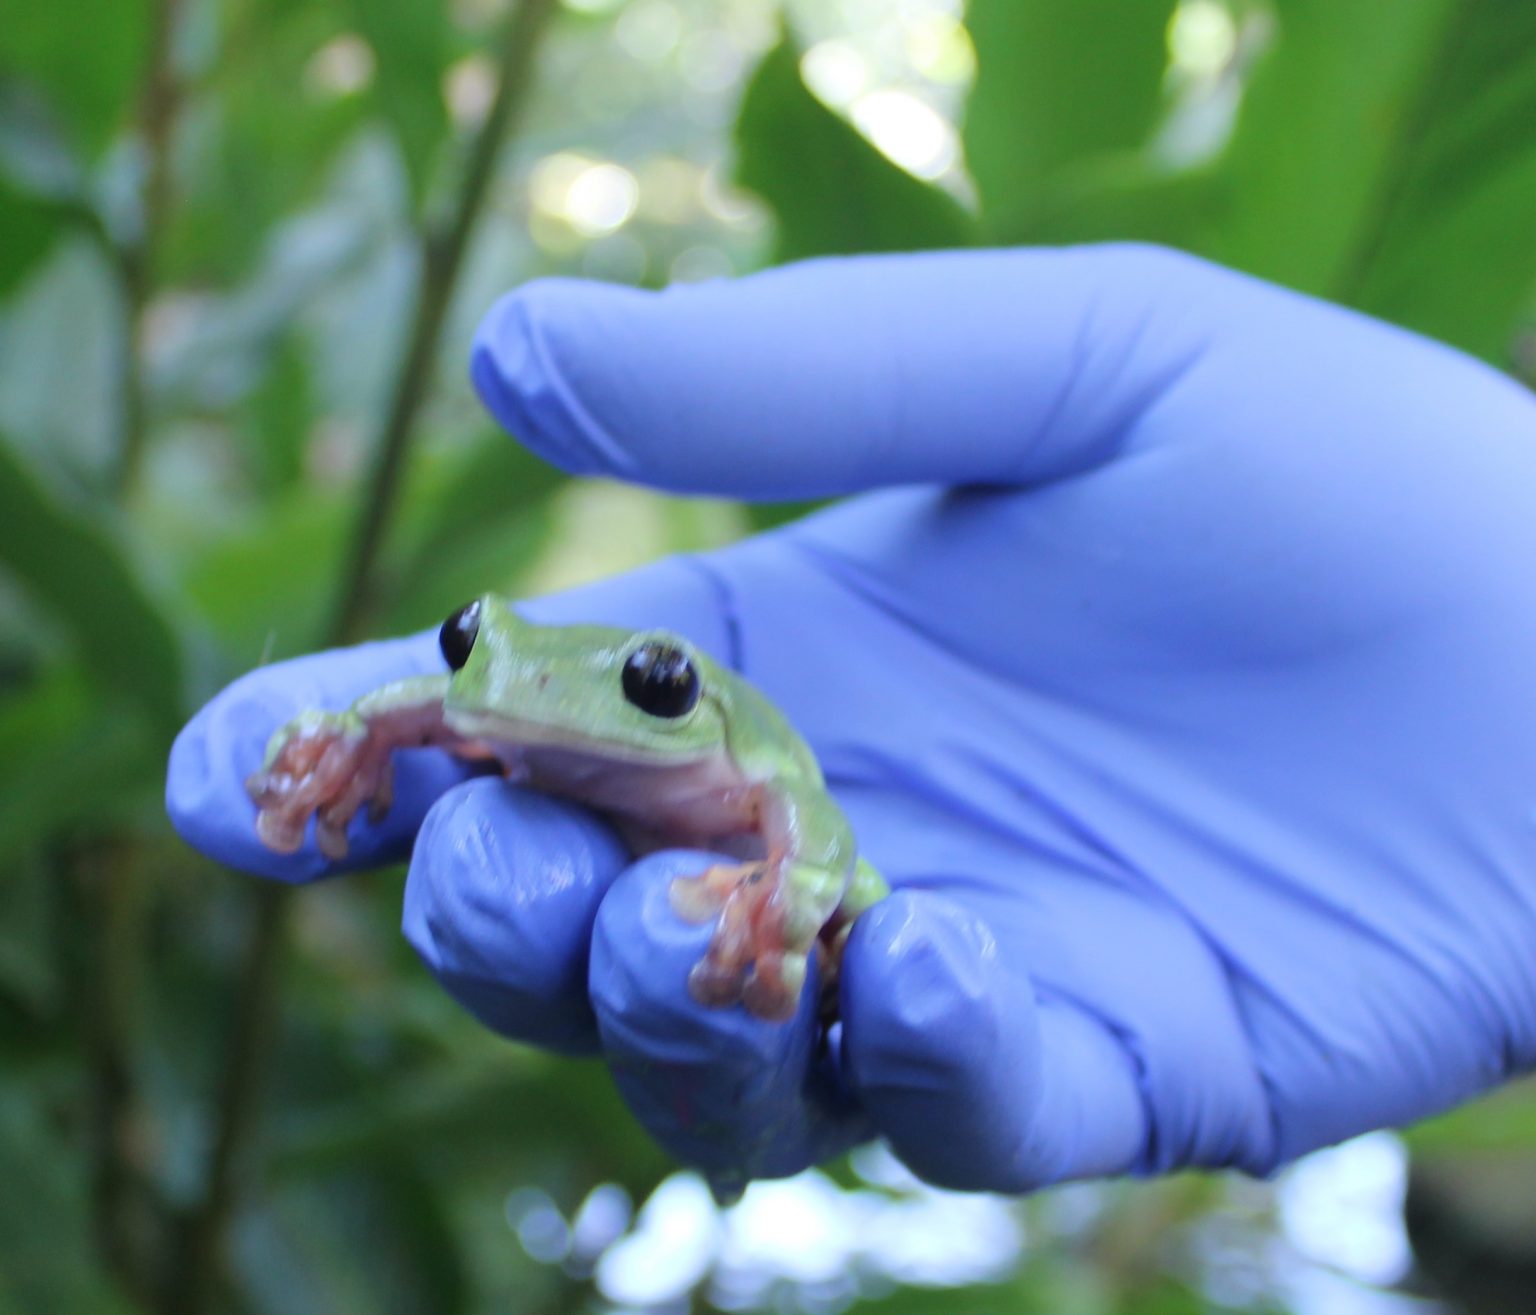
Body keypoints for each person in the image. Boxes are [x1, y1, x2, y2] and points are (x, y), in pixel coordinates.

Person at [168, 244, 1536, 1199]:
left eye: (651, 682)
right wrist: (351, 739)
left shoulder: (734, 758)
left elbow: (802, 821)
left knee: (866, 968)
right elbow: (426, 704)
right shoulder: (490, 699)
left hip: (801, 827)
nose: (490, 680)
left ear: (673, 694)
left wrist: (783, 907)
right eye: (472, 639)